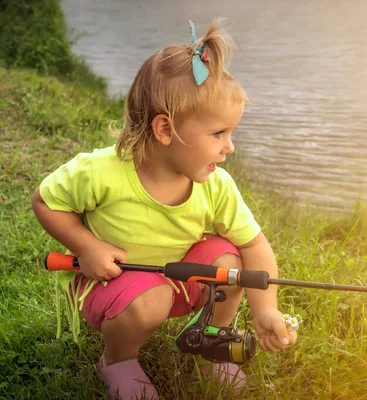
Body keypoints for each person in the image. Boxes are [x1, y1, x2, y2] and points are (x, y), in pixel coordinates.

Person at [31, 18, 297, 400]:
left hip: (178, 282)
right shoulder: (99, 171)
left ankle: (211, 340)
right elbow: (45, 200)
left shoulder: (216, 184)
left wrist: (265, 309)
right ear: (165, 130)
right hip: (114, 286)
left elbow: (255, 246)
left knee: (230, 260)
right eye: (218, 134)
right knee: (149, 299)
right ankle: (117, 360)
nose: (229, 147)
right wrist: (86, 246)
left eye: (231, 133)